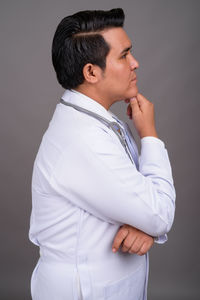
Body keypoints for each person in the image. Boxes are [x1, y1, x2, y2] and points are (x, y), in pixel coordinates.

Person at [29, 8, 176, 300]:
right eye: (124, 56)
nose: (135, 63)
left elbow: (142, 205)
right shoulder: (83, 139)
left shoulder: (97, 122)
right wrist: (150, 136)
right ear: (91, 72)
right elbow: (159, 213)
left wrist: (145, 227)